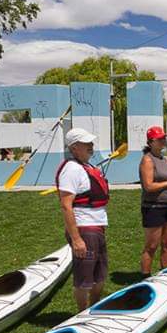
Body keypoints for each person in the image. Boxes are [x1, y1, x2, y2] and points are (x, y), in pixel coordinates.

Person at [55, 128, 110, 311]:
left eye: (91, 143)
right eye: (86, 143)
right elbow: (66, 205)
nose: (91, 146)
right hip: (85, 229)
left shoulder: (87, 167)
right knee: (84, 278)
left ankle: (93, 308)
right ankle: (82, 312)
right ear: (74, 147)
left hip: (97, 228)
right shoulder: (71, 170)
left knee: (99, 275)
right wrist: (77, 238)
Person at [139, 126, 167, 277]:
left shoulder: (165, 160)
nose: (163, 141)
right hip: (153, 207)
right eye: (160, 139)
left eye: (164, 138)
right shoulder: (147, 160)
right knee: (151, 246)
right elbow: (148, 186)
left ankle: (165, 274)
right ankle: (145, 276)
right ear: (151, 142)